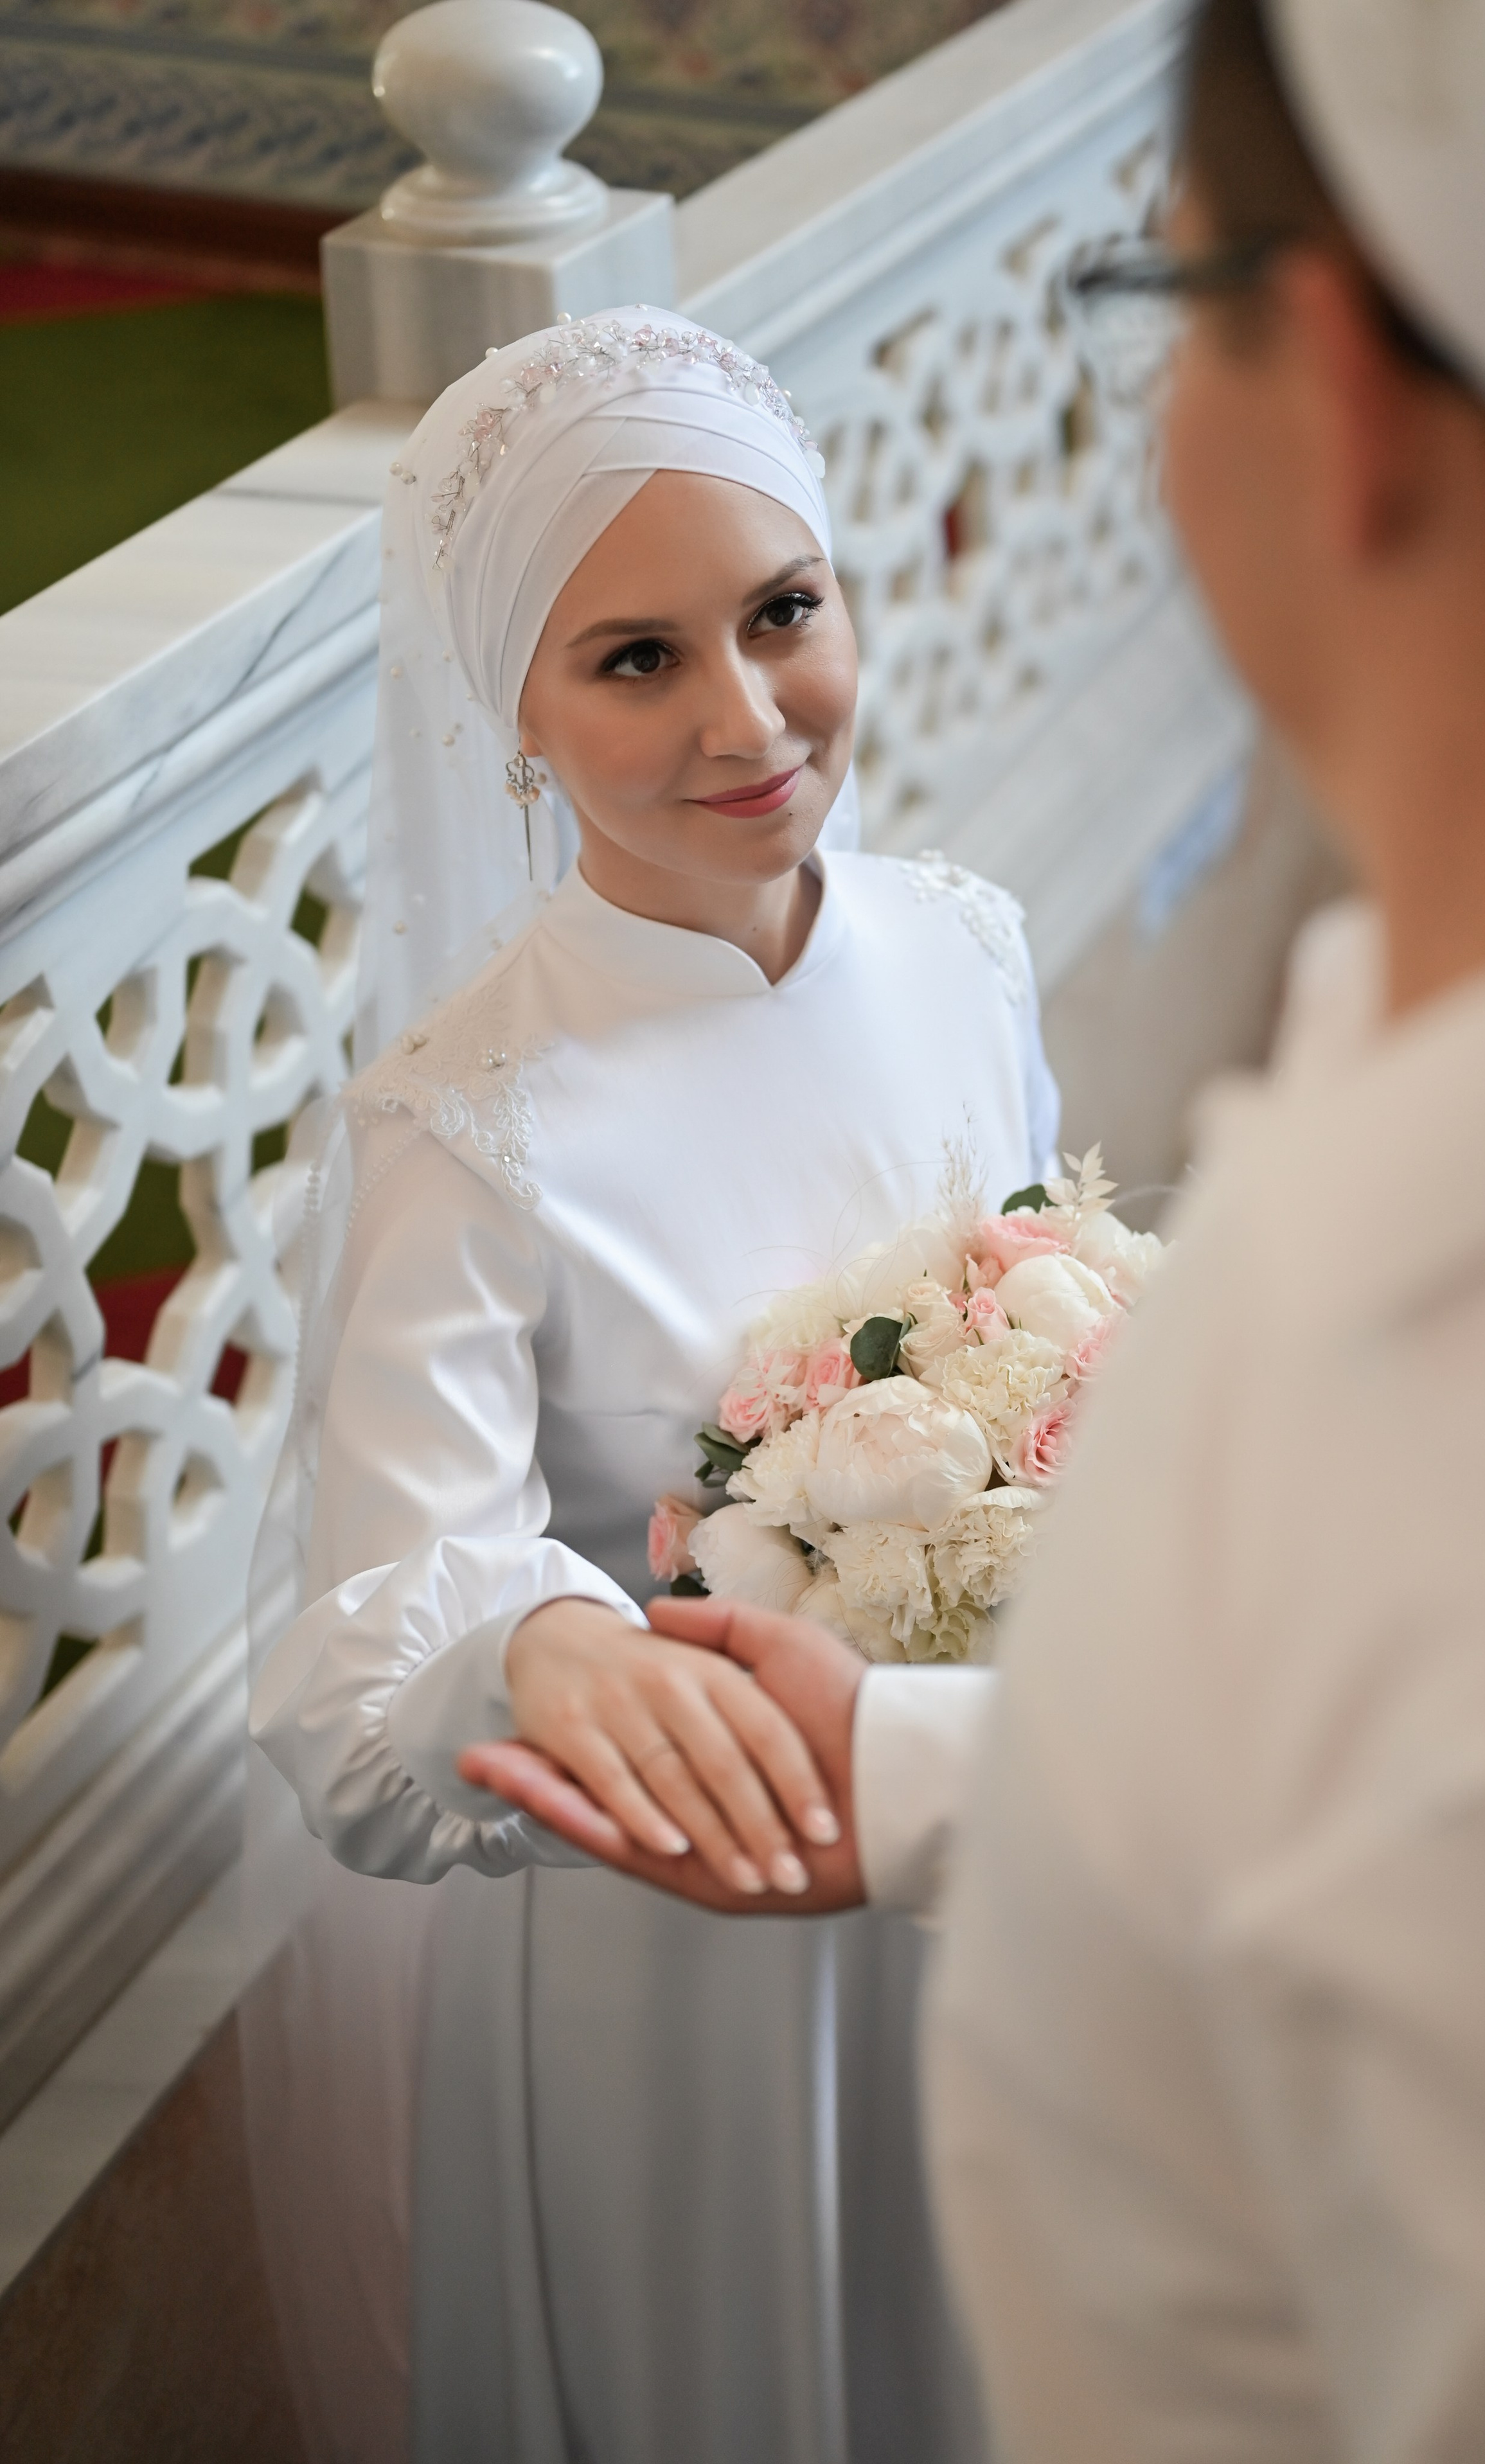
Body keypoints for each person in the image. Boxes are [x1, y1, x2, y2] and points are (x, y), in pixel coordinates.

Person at [472, 1, 1485, 2456]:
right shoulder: (1395, 1100)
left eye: (1163, 303)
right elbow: (1330, 1812)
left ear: (1315, 378)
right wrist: (909, 1765)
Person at [244, 306, 1060, 2464]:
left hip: (989, 1827)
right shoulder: (477, 1124)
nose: (748, 716)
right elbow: (355, 1661)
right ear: (512, 715)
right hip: (688, 1940)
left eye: (783, 612)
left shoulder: (963, 944)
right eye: (635, 660)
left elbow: (1044, 1284)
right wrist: (542, 1640)